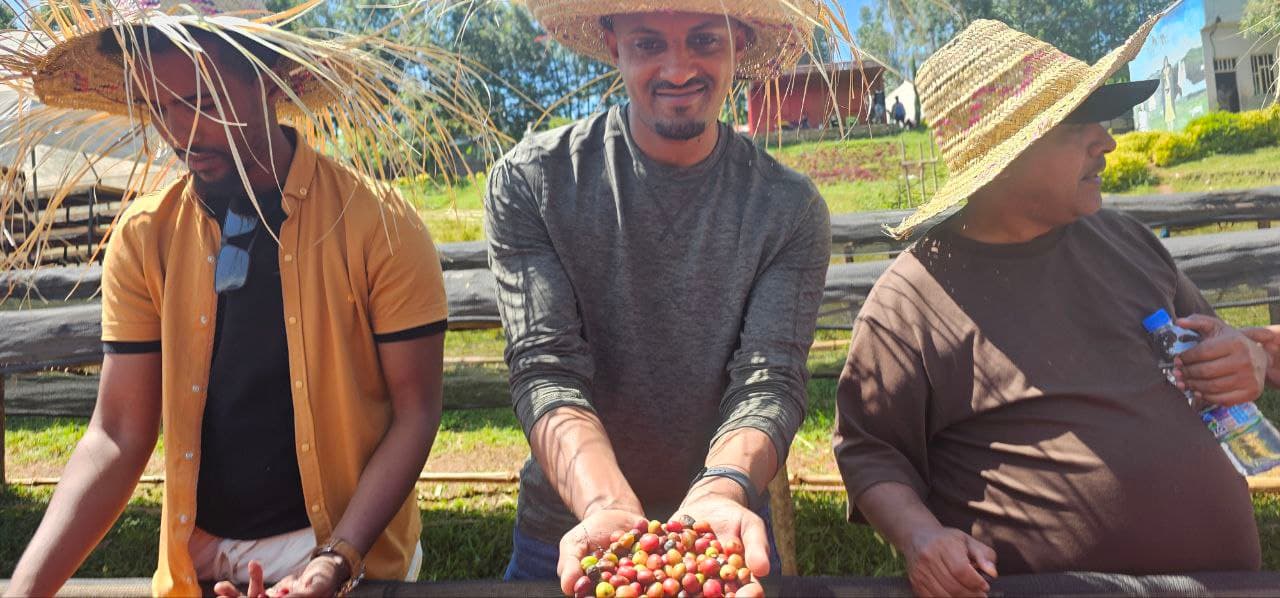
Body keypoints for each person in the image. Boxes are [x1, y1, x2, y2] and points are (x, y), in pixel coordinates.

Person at [0, 1, 483, 595]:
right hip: (198, 559)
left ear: (264, 77)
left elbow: (416, 410)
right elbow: (119, 431)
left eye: (201, 100)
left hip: (342, 549)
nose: (179, 131)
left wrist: (334, 560)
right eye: (160, 106)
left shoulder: (377, 225)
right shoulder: (145, 237)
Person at [833, 12, 1268, 598]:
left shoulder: (1125, 243)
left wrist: (1249, 359)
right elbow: (870, 450)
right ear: (1002, 158)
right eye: (1077, 124)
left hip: (1224, 584)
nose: (1107, 139)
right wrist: (920, 538)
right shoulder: (912, 302)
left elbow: (1223, 343)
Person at [487, 1, 836, 595]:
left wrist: (720, 489)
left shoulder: (789, 209)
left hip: (721, 536)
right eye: (649, 44)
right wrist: (605, 508)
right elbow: (546, 371)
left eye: (704, 40)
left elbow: (769, 379)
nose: (678, 69)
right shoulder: (532, 183)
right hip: (568, 533)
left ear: (740, 45)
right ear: (613, 42)